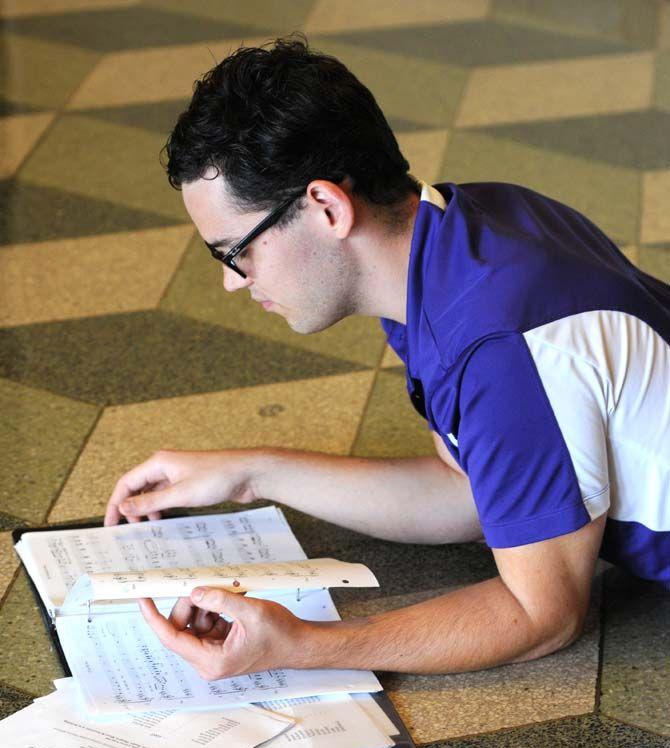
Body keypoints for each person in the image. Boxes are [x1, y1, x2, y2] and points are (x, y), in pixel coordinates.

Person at [104, 37, 670, 683]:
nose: (234, 281)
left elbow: (540, 615)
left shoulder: (497, 343)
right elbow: (472, 490)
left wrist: (300, 644)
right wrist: (251, 474)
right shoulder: (464, 229)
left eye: (235, 251)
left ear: (326, 206)